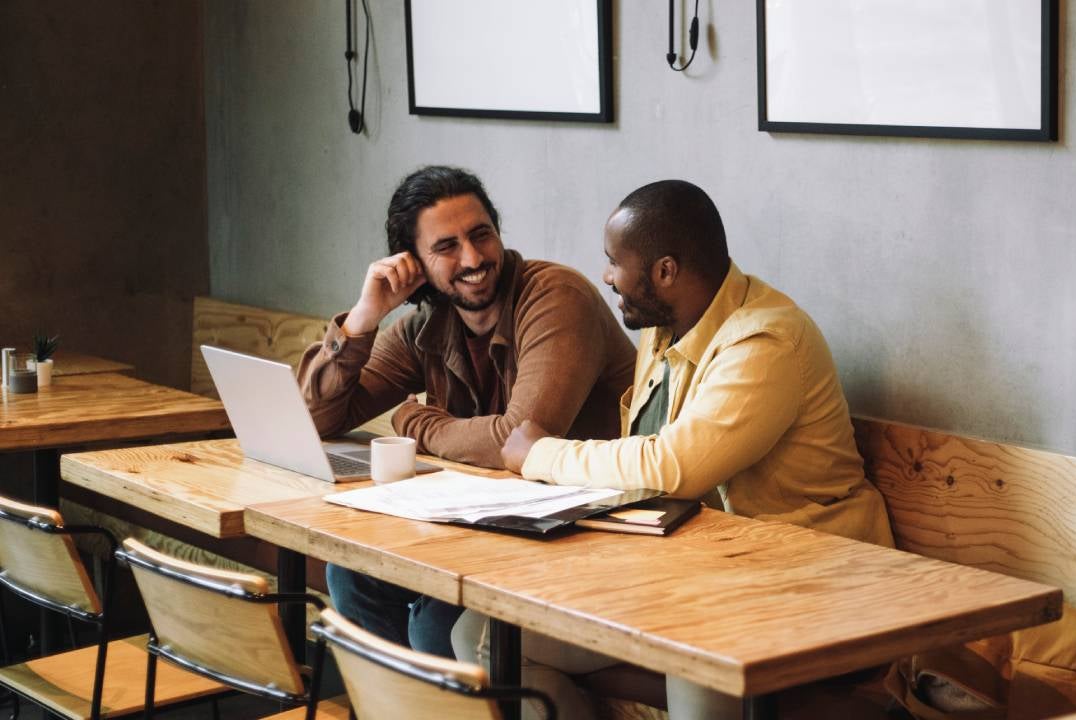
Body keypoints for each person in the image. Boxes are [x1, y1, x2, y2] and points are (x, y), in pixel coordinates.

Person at [454, 179, 894, 719]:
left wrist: (540, 453)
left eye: (615, 261)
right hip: (699, 576)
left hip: (810, 580)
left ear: (665, 271)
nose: (607, 275)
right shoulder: (665, 329)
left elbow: (671, 465)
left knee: (696, 654)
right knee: (481, 633)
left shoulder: (767, 342)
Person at [297, 165, 635, 659]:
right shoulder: (426, 325)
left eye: (481, 235)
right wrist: (364, 317)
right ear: (412, 264)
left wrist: (420, 423)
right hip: (489, 527)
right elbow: (313, 420)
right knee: (353, 574)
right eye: (446, 247)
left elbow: (519, 441)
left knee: (438, 621)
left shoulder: (556, 297)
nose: (473, 258)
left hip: (586, 532)